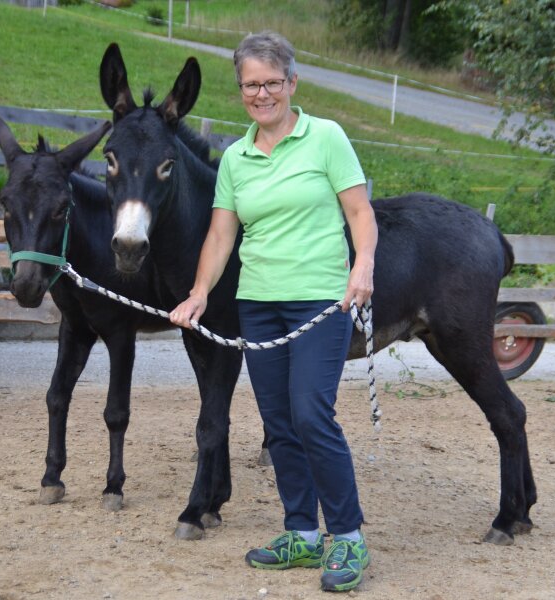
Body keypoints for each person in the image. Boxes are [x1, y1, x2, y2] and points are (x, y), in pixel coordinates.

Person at [170, 30, 378, 593]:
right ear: (240, 89)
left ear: (292, 83)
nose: (261, 94)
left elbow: (360, 212)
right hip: (257, 305)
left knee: (312, 414)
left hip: (319, 300)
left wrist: (362, 267)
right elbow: (220, 233)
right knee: (279, 423)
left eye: (270, 82)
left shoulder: (326, 138)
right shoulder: (236, 158)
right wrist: (199, 292)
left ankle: (348, 537)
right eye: (249, 85)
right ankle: (301, 534)